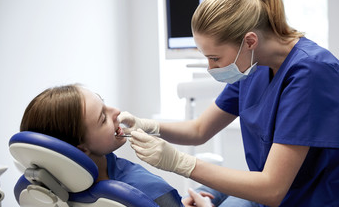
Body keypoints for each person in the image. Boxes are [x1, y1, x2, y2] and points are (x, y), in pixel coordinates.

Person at [119, 0, 339, 207]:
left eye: (215, 58)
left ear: (249, 41)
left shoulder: (313, 72)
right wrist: (148, 125)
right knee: (206, 192)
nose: (210, 68)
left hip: (313, 198)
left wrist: (179, 163)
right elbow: (200, 130)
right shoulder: (253, 65)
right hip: (275, 192)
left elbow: (272, 189)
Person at [20, 84, 213, 207]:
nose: (117, 111)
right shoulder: (143, 188)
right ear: (81, 149)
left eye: (104, 103)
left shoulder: (53, 190)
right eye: (103, 118)